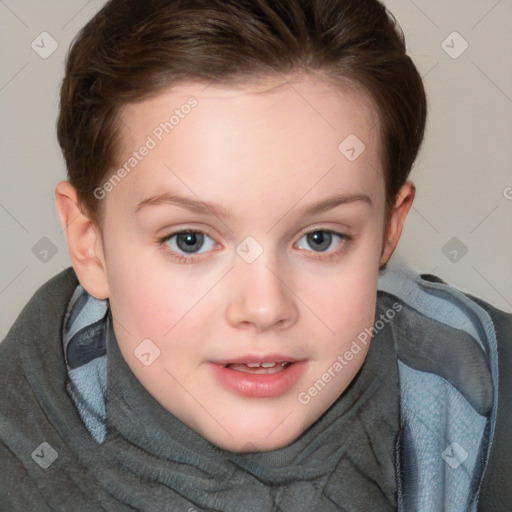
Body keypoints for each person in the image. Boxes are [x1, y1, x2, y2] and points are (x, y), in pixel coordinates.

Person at [1, 0, 511, 510]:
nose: (265, 308)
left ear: (388, 229)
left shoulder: (488, 394)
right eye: (190, 240)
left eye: (320, 238)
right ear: (89, 244)